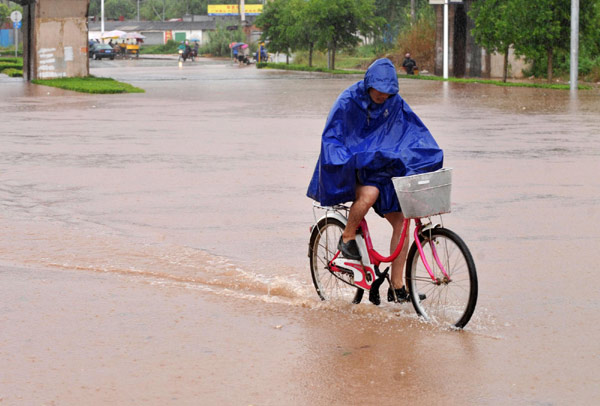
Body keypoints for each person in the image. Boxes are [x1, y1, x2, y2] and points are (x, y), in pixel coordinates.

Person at [306, 58, 443, 303]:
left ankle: (397, 286)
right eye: (379, 91)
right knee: (369, 194)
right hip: (352, 169)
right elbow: (332, 139)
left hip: (381, 168)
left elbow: (414, 131)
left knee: (402, 221)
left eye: (388, 92)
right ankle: (347, 237)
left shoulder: (394, 103)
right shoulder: (347, 102)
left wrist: (427, 154)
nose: (383, 96)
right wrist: (353, 160)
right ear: (369, 84)